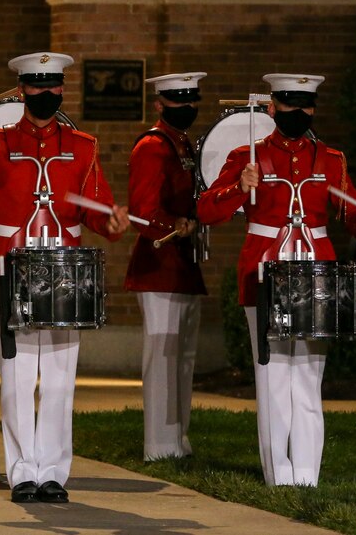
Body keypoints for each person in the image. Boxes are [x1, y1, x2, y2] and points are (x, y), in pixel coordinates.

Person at [0, 52, 129, 503]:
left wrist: (112, 225)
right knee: (18, 378)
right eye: (37, 87)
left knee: (61, 379)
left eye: (53, 86)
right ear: (22, 91)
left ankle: (54, 473)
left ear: (62, 89)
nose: (46, 94)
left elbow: (95, 207)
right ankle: (22, 470)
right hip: (12, 270)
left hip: (66, 273)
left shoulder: (84, 145)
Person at [198, 73, 356, 487]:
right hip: (263, 271)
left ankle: (307, 476)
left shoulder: (331, 160)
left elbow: (352, 215)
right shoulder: (247, 155)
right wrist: (238, 189)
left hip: (316, 272)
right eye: (289, 105)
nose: (298, 113)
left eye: (305, 106)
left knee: (309, 376)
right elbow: (208, 210)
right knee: (273, 374)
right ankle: (278, 474)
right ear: (272, 108)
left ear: (313, 109)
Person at [126, 72, 209, 461]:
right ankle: (159, 446)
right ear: (160, 104)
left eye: (192, 100)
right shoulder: (152, 146)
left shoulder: (182, 144)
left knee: (183, 357)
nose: (187, 108)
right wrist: (172, 223)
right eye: (178, 101)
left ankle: (179, 438)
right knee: (163, 356)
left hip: (182, 262)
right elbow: (143, 211)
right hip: (158, 261)